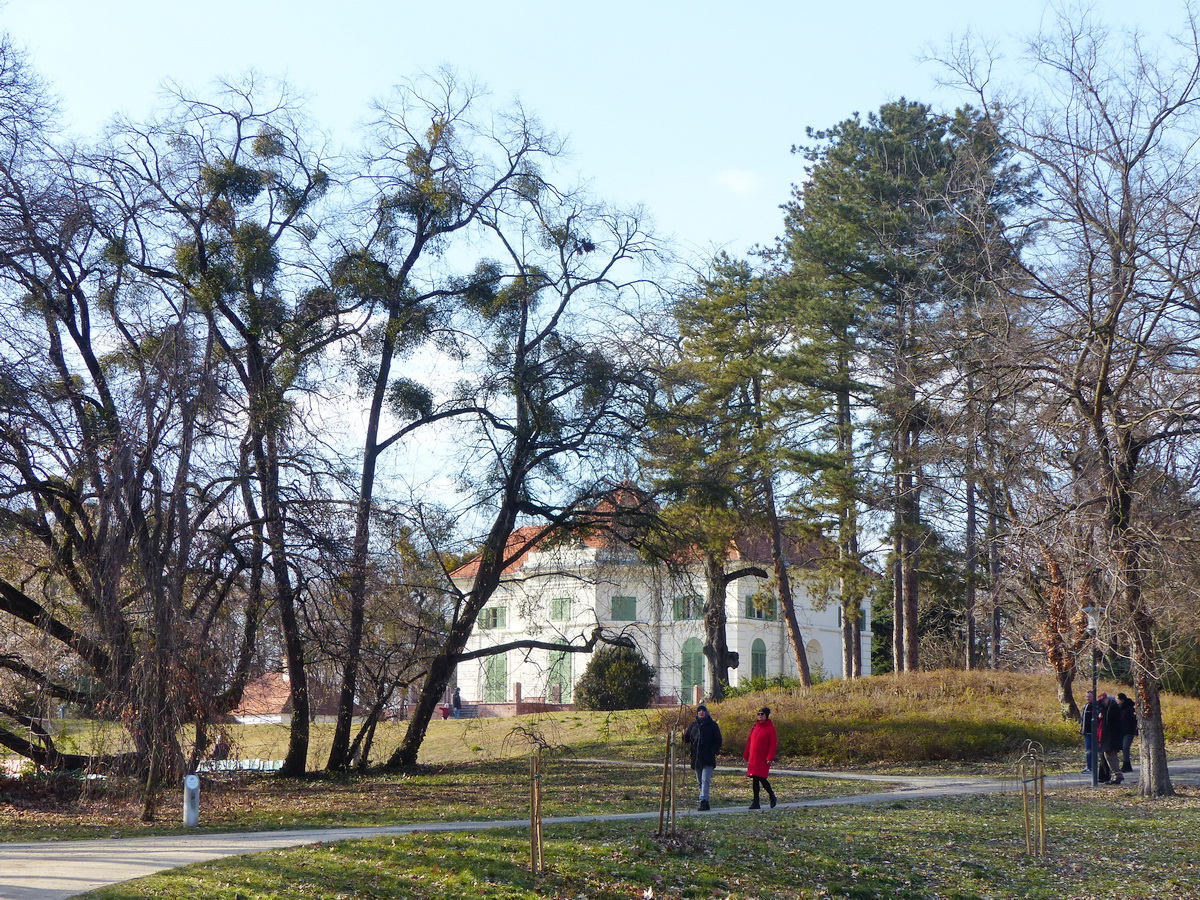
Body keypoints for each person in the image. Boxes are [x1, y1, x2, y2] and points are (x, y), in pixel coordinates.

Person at [684, 703, 722, 811]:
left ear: (706, 713)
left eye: (703, 711)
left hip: (708, 757)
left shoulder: (712, 725)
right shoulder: (693, 725)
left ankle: (704, 800)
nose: (701, 712)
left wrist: (713, 751)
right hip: (696, 758)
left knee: (705, 780)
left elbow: (718, 740)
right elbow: (687, 740)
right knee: (700, 781)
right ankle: (704, 800)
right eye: (699, 711)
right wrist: (684, 734)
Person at [743, 706, 778, 809]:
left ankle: (772, 796)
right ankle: (756, 802)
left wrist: (770, 757)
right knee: (754, 779)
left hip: (763, 758)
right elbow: (750, 741)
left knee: (762, 778)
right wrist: (746, 754)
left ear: (766, 715)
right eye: (758, 714)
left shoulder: (770, 728)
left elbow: (773, 744)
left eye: (762, 714)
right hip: (754, 757)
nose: (760, 716)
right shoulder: (755, 727)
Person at [1097, 692, 1125, 784]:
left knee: (1110, 755)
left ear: (1107, 699)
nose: (1102, 703)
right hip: (1109, 736)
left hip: (1112, 736)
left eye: (1103, 700)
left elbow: (1110, 721)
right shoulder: (1108, 707)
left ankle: (1117, 774)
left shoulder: (1113, 707)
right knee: (1110, 755)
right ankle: (1116, 775)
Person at [1117, 692, 1138, 772]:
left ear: (1122, 700)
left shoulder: (1129, 708)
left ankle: (1127, 764)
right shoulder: (1119, 708)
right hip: (1121, 731)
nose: (1117, 700)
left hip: (1129, 731)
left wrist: (1134, 730)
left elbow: (1133, 720)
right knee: (1122, 748)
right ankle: (1125, 764)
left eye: (1118, 699)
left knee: (1125, 747)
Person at [1080, 691, 1096, 773]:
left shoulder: (1096, 706)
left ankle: (1094, 767)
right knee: (1088, 750)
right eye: (1087, 696)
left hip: (1094, 732)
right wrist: (1082, 728)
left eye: (1089, 697)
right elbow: (1083, 718)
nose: (1088, 698)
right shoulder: (1085, 706)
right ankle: (1089, 766)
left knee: (1094, 750)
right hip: (1087, 732)